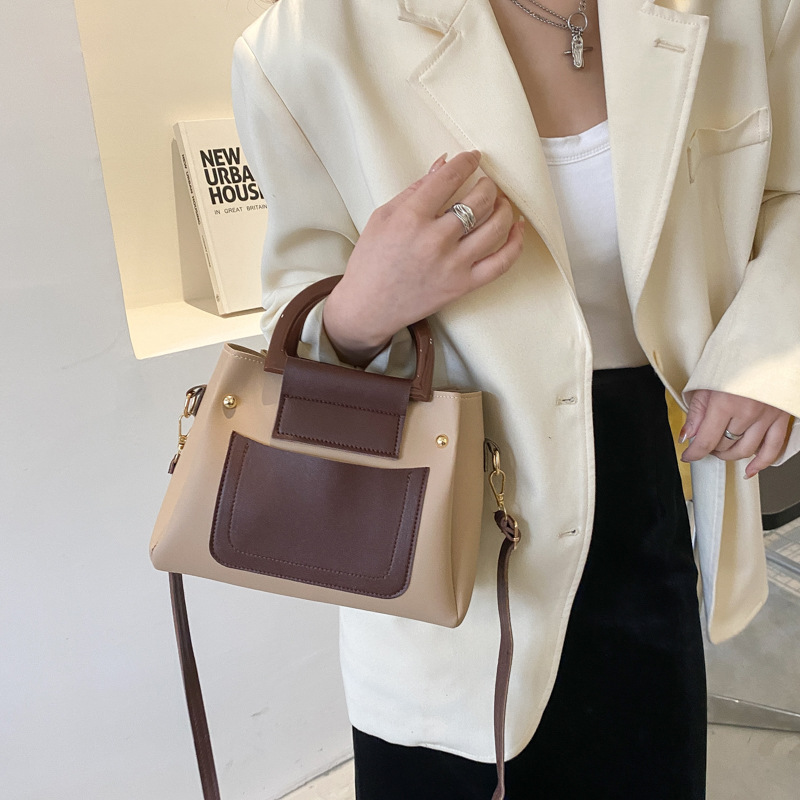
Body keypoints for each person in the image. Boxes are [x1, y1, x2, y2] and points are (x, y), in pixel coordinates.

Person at [231, 0, 800, 796]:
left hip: (645, 503)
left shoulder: (747, 9)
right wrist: (365, 307)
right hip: (437, 528)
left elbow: (787, 193)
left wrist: (767, 351)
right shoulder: (305, 46)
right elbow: (293, 349)